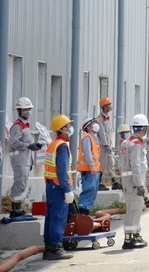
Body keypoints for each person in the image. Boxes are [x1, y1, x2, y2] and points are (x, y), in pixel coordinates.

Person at [42, 114, 75, 261]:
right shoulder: (62, 146)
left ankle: (50, 246)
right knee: (58, 217)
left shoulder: (53, 144)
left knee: (51, 217)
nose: (70, 128)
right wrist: (67, 189)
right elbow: (62, 171)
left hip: (51, 185)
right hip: (59, 186)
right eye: (68, 126)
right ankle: (54, 248)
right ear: (62, 129)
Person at [8, 97, 44, 219]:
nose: (28, 111)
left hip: (25, 159)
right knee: (20, 184)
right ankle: (15, 209)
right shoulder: (17, 126)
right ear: (19, 110)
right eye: (26, 109)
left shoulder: (25, 125)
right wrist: (28, 145)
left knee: (22, 184)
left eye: (29, 109)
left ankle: (17, 208)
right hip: (19, 160)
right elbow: (13, 142)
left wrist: (32, 156)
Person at [118, 114, 149, 249]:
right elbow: (136, 165)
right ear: (144, 128)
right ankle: (129, 238)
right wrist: (140, 184)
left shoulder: (127, 142)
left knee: (135, 210)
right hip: (134, 182)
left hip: (128, 181)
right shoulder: (136, 145)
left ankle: (135, 234)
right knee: (133, 210)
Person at [76, 118, 102, 215]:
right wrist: (92, 166)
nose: (96, 124)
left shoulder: (94, 138)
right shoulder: (87, 138)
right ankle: (83, 209)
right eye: (94, 123)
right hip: (89, 170)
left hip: (94, 169)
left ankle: (86, 209)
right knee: (89, 189)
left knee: (93, 190)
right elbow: (88, 154)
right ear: (89, 127)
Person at [96, 97, 120, 190]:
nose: (110, 107)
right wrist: (106, 145)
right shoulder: (100, 119)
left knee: (110, 164)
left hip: (108, 145)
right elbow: (102, 133)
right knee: (103, 164)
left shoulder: (106, 118)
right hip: (103, 146)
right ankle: (99, 184)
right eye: (108, 105)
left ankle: (114, 182)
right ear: (104, 106)